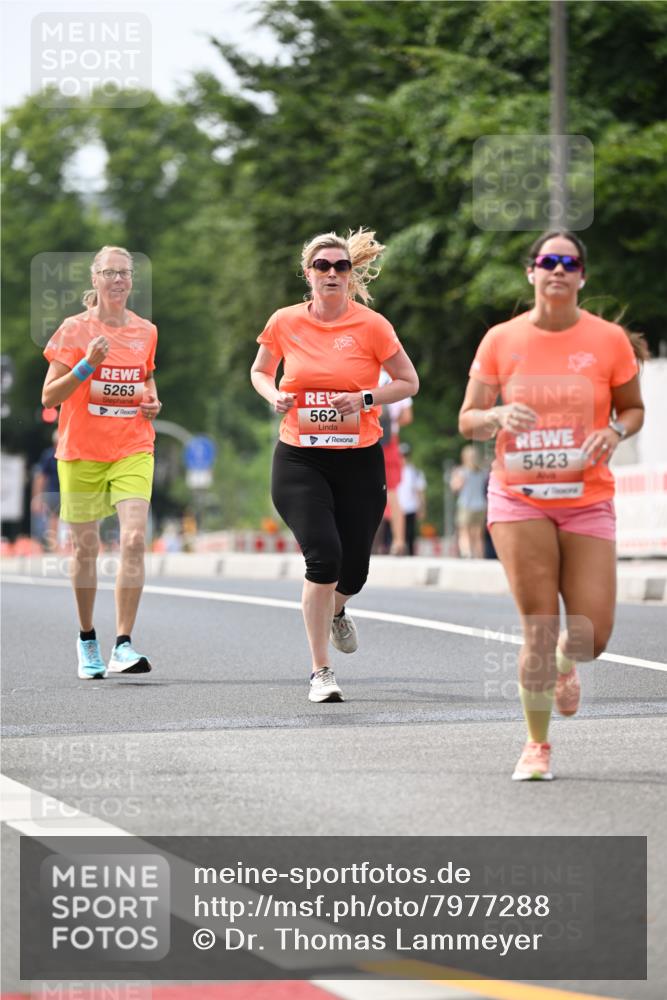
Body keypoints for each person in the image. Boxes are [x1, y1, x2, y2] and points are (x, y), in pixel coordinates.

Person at [458, 230, 646, 780]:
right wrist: (495, 417)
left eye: (569, 262)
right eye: (548, 261)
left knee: (593, 634)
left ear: (582, 276)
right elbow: (468, 418)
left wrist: (614, 432)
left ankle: (567, 667)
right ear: (532, 273)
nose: (558, 270)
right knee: (538, 626)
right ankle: (536, 745)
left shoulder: (608, 340)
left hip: (587, 499)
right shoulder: (501, 340)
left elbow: (633, 409)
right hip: (519, 497)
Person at [251, 228, 419, 703]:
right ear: (308, 274)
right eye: (322, 267)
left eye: (340, 267)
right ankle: (320, 671)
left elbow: (409, 382)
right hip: (300, 458)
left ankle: (337, 610)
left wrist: (365, 397)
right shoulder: (284, 321)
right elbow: (261, 370)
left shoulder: (372, 326)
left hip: (359, 458)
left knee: (355, 572)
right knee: (322, 557)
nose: (331, 273)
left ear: (350, 275)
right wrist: (274, 395)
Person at [42, 245, 161, 679]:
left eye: (125, 273)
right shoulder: (74, 330)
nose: (118, 280)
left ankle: (123, 644)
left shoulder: (146, 331)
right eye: (109, 272)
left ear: (132, 281)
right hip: (81, 452)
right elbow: (48, 396)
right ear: (95, 280)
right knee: (87, 548)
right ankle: (87, 637)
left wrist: (151, 398)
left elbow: (145, 375)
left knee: (132, 540)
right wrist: (85, 367)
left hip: (132, 446)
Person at [449, 444, 488, 558]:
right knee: (478, 535)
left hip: (466, 505)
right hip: (480, 505)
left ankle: (467, 553)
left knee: (464, 532)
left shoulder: (461, 472)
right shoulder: (483, 472)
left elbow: (455, 487)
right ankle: (479, 555)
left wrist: (454, 477)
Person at [31, 430, 60, 551]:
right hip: (54, 492)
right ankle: (54, 547)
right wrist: (37, 498)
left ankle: (69, 547)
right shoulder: (49, 455)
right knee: (53, 519)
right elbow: (40, 478)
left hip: (69, 492)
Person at [396, 443, 426, 556]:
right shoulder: (393, 471)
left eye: (405, 455)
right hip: (397, 508)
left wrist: (422, 507)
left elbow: (420, 491)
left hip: (410, 507)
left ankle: (410, 555)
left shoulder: (415, 472)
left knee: (410, 533)